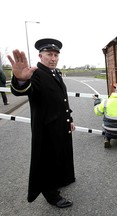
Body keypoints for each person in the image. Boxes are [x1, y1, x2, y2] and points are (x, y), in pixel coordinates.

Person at [7, 38, 75, 208]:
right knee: (48, 163)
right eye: (49, 55)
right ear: (40, 55)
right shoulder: (35, 73)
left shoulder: (55, 72)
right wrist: (20, 80)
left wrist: (70, 120)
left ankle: (62, 179)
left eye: (56, 55)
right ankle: (51, 195)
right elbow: (22, 90)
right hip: (46, 129)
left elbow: (62, 100)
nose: (53, 58)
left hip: (60, 126)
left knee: (62, 155)